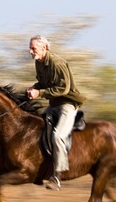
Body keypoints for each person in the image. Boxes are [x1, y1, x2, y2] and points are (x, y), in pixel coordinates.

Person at [26, 35, 86, 191]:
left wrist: (39, 94)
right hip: (53, 105)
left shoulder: (57, 63)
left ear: (44, 48)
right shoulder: (39, 63)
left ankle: (57, 176)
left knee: (57, 136)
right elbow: (43, 83)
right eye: (30, 48)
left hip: (67, 105)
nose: (30, 51)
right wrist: (34, 88)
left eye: (33, 48)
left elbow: (63, 89)